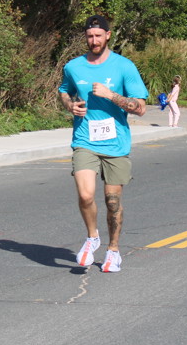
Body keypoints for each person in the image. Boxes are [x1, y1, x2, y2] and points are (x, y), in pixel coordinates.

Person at [59, 15, 148, 273]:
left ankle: (113, 250)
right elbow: (64, 90)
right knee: (85, 195)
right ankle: (92, 237)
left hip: (115, 144)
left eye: (98, 36)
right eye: (90, 36)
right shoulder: (73, 67)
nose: (94, 40)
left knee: (112, 202)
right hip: (84, 140)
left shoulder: (124, 66)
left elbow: (140, 108)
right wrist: (70, 105)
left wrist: (111, 95)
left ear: (108, 35)